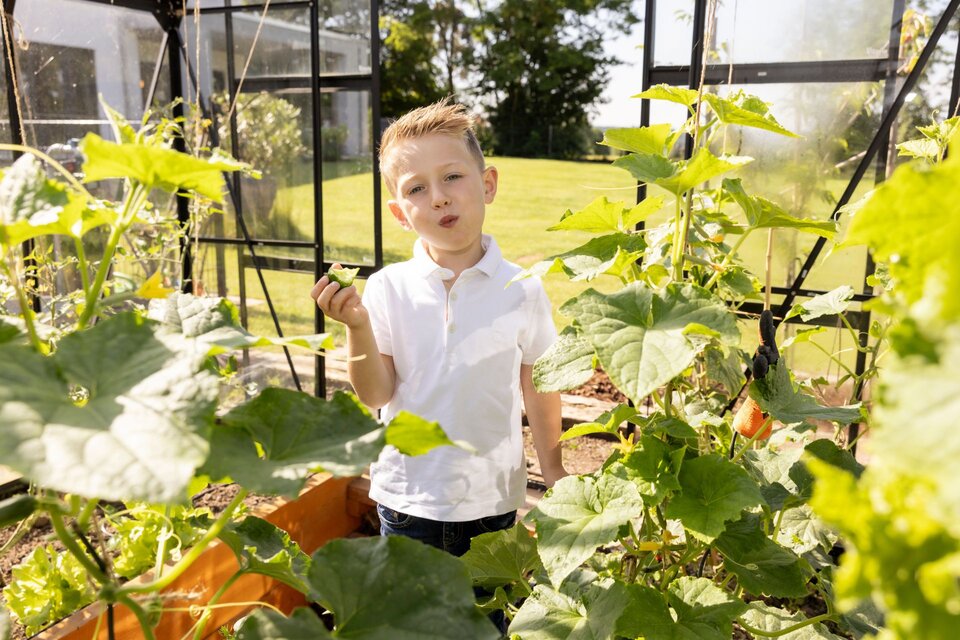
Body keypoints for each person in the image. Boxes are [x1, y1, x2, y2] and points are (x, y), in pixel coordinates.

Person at [310, 99, 567, 559]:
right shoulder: (387, 287)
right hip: (408, 500)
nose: (439, 197)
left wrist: (554, 471)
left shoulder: (523, 288)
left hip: (492, 500)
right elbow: (375, 394)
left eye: (452, 177)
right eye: (417, 188)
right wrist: (357, 326)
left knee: (486, 606)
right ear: (399, 214)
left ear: (488, 184)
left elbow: (539, 383)